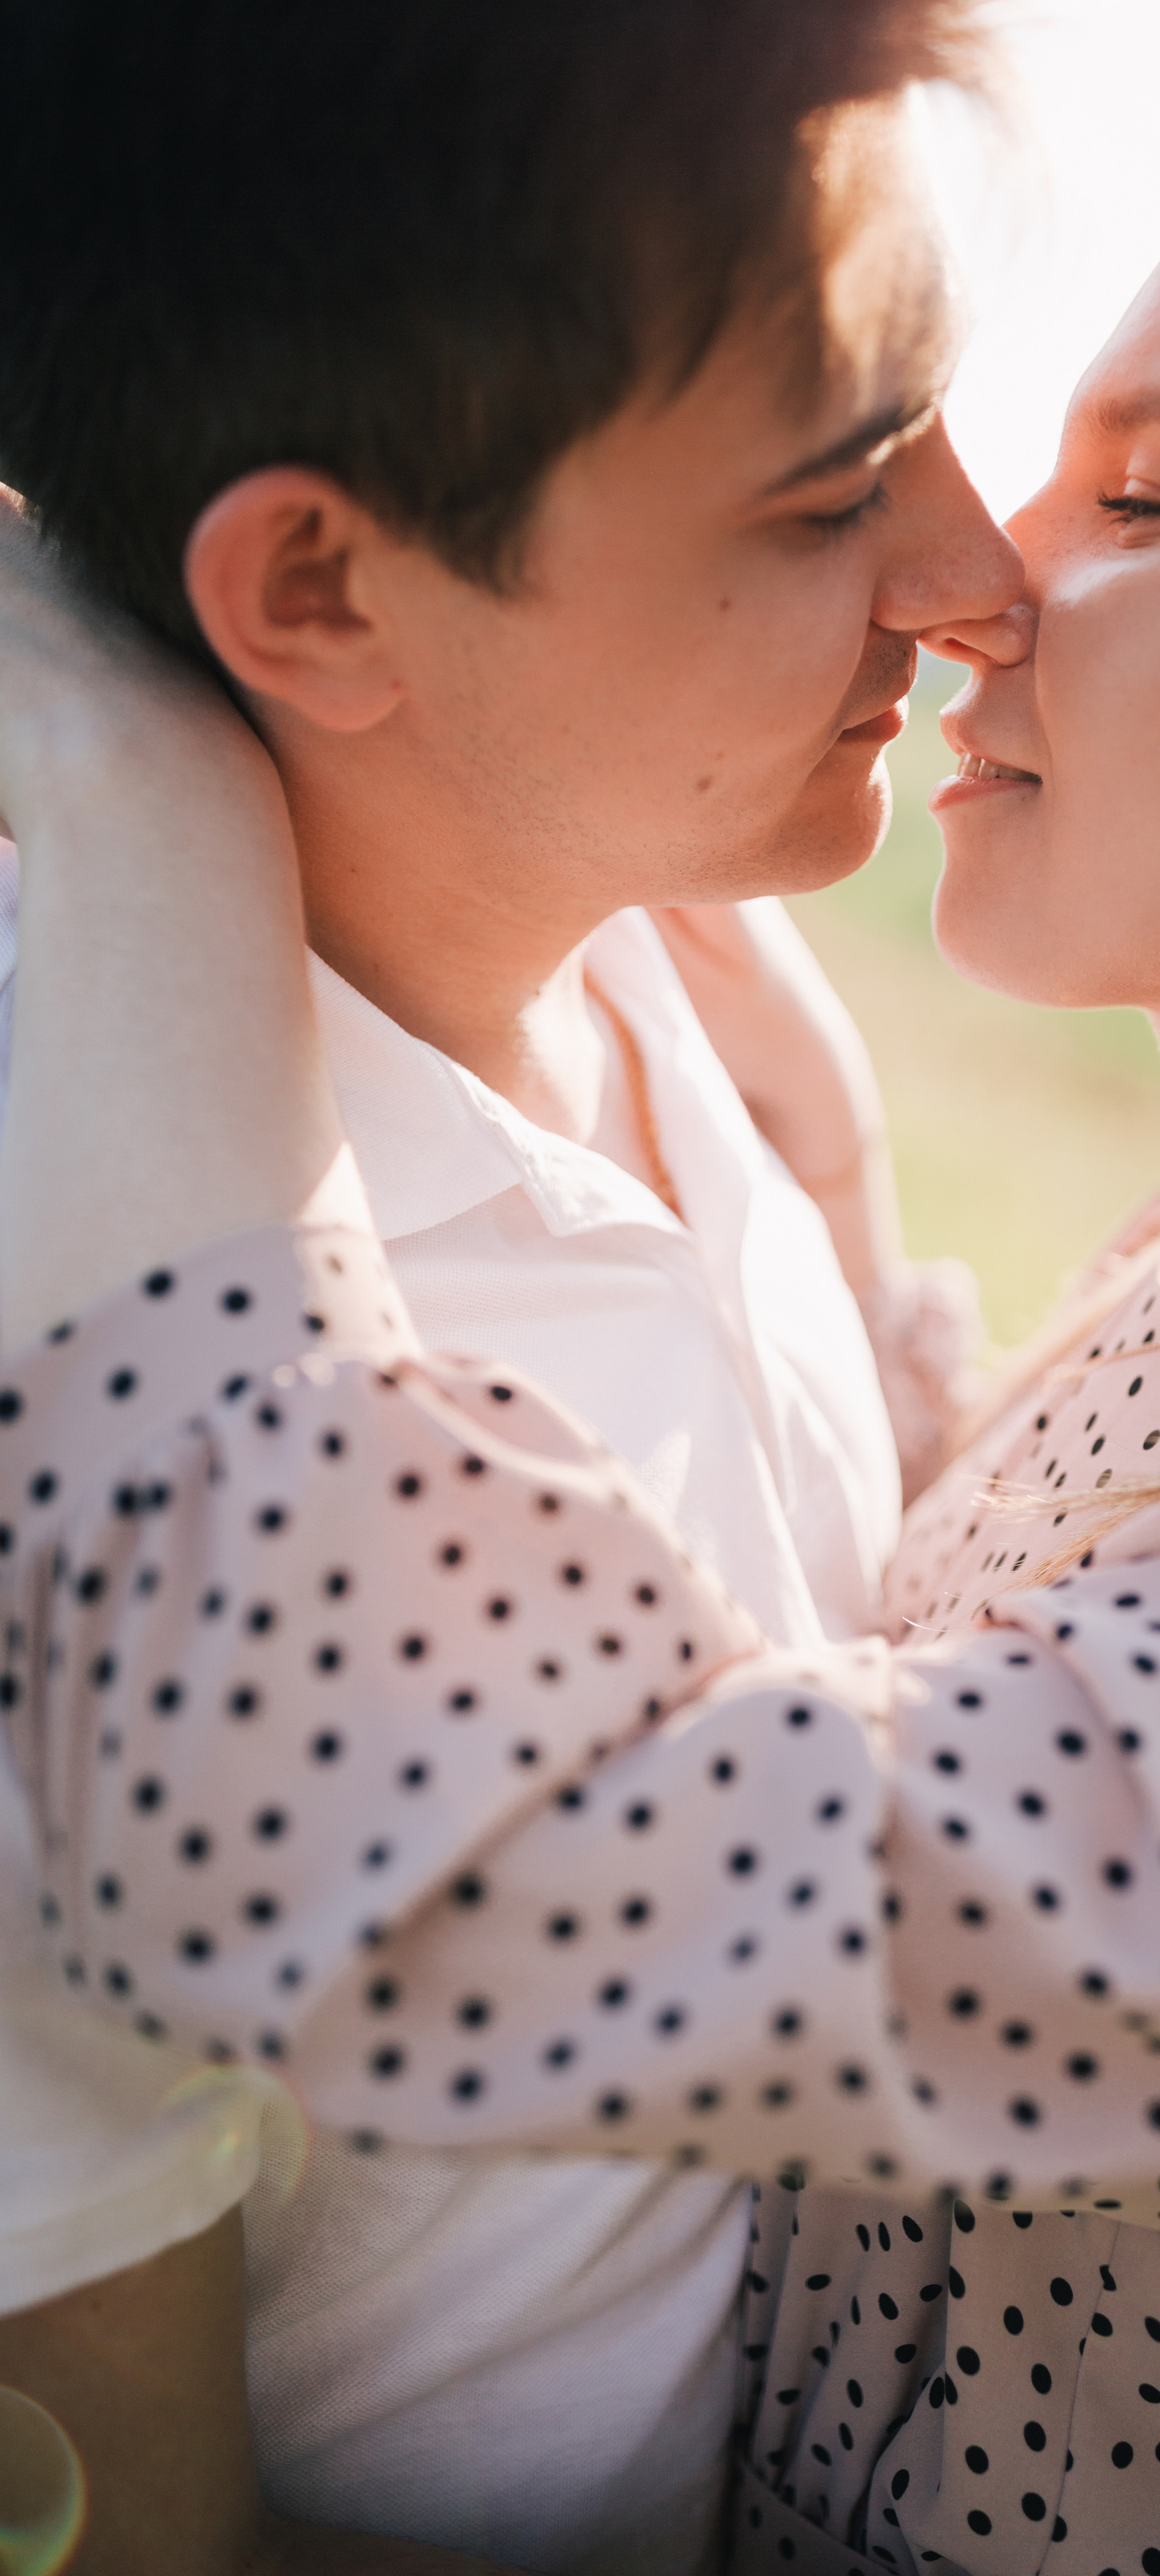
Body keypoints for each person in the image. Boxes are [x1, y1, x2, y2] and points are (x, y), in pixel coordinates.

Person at [4, 62, 1160, 2576]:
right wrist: (815, 1205)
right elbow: (1008, 1667)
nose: (987, 575)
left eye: (1144, 498)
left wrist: (129, 798)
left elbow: (477, 1871)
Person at [0, 3, 1018, 2570]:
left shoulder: (664, 972)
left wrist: (856, 1204)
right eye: (832, 493)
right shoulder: (90, 1399)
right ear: (324, 585)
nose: (985, 586)